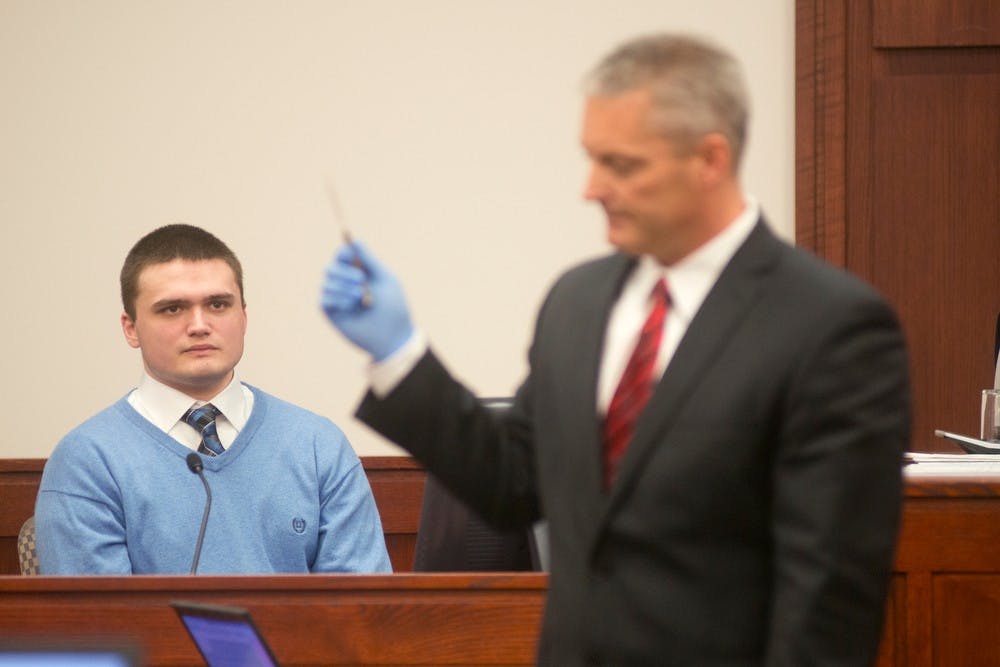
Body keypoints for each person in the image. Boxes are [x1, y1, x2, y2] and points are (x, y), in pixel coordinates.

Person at [320, 33, 910, 666]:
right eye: (591, 159)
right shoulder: (578, 301)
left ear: (710, 159)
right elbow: (513, 483)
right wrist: (400, 356)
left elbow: (828, 601)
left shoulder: (831, 326)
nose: (591, 188)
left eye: (621, 164)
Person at [36, 224, 391, 575]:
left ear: (243, 317)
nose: (199, 325)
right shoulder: (88, 460)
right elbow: (102, 625)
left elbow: (363, 614)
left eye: (218, 304)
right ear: (131, 328)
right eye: (173, 309)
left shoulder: (316, 444)